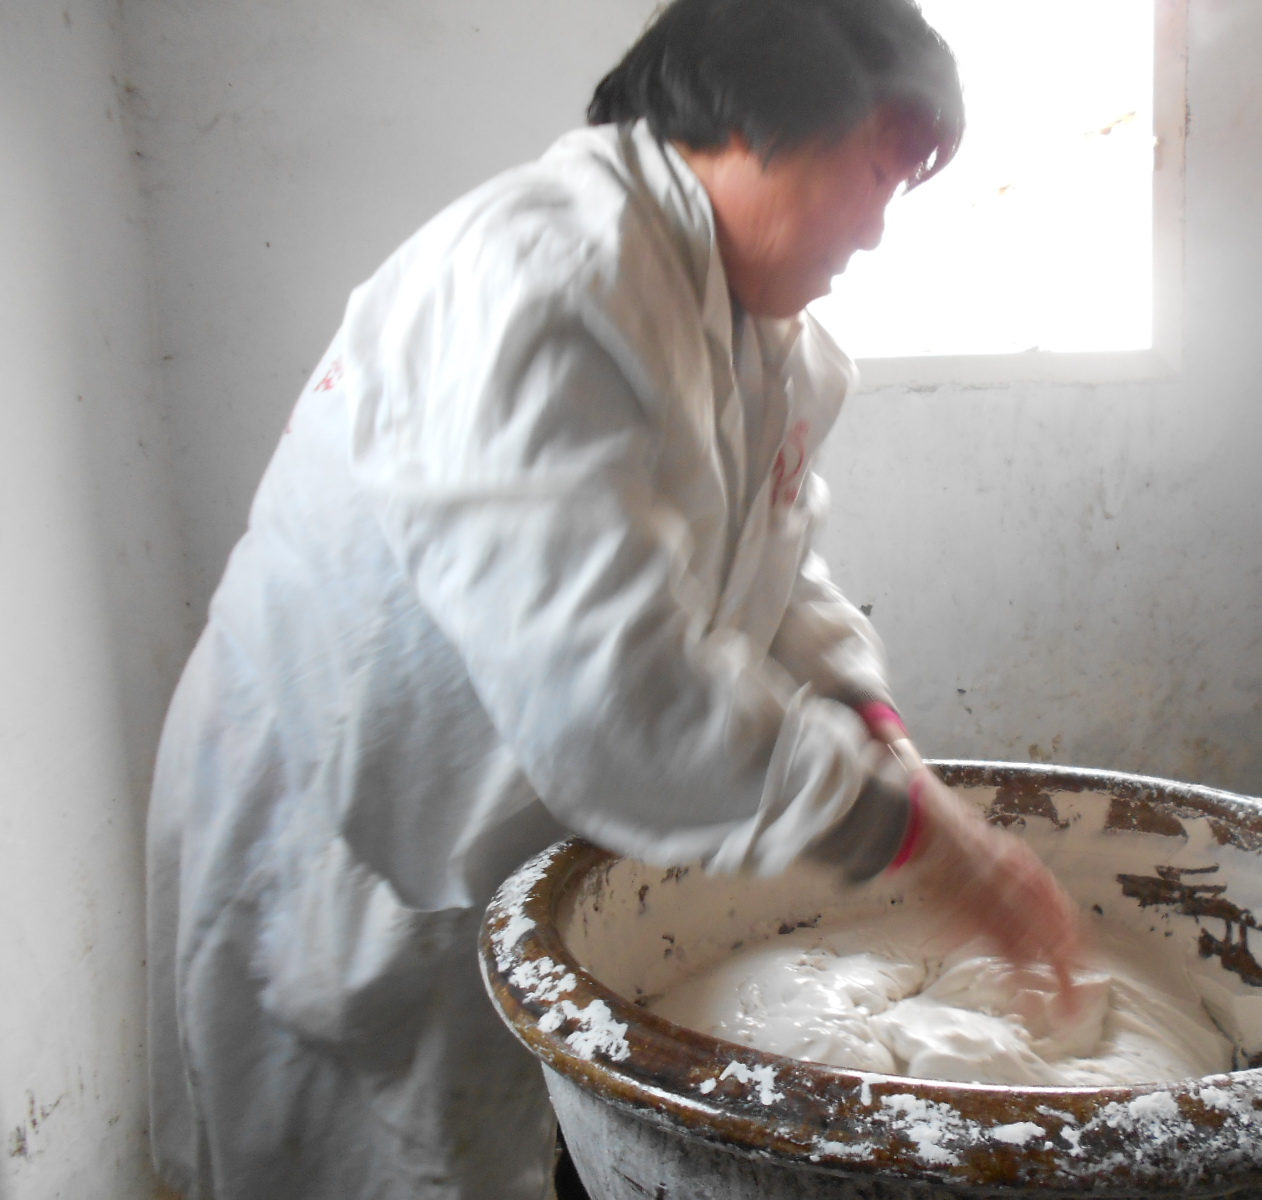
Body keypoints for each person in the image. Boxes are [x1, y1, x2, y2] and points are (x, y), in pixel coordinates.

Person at [144, 1, 1085, 1197]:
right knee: (364, 1162)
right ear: (755, 118)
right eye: (873, 174)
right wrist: (919, 840)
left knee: (496, 1140)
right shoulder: (543, 277)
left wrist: (880, 738)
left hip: (498, 833)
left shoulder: (770, 342)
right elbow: (616, 691)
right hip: (345, 844)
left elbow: (773, 573)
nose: (876, 231)